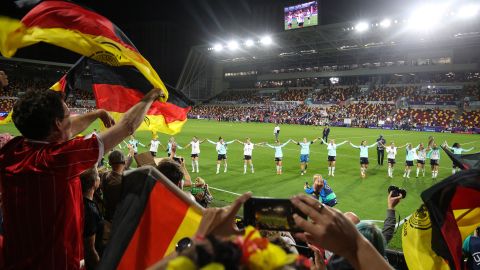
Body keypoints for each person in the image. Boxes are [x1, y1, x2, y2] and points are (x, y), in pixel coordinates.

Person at [0, 87, 163, 268]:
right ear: (56, 124)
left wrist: (98, 113)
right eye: (69, 116)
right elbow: (127, 126)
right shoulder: (57, 159)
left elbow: (66, 131)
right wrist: (150, 96)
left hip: (15, 258)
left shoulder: (12, 148)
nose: (73, 121)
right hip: (54, 263)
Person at [101, 148, 134, 222]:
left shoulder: (105, 175)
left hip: (108, 214)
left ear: (109, 163)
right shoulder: (121, 183)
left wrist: (130, 156)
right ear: (124, 162)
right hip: (118, 219)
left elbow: (122, 167)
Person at [81, 167, 104, 270]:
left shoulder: (85, 198)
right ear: (94, 183)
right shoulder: (90, 211)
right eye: (98, 176)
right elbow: (90, 249)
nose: (100, 178)